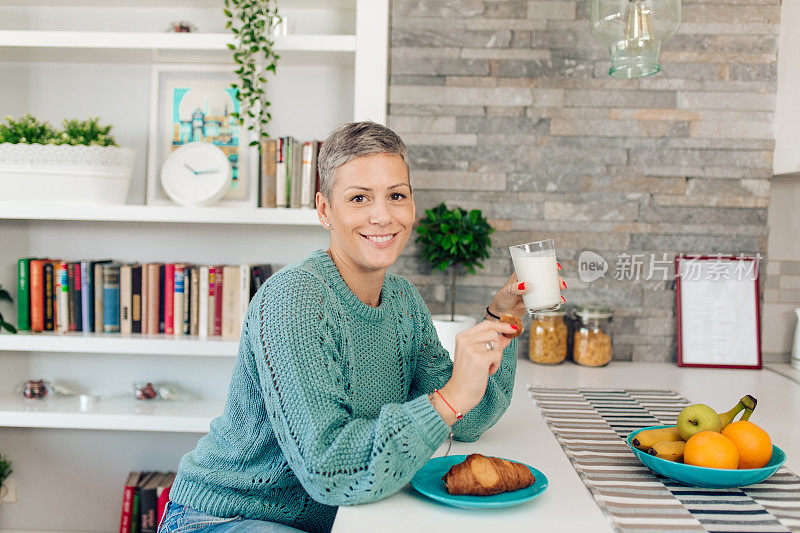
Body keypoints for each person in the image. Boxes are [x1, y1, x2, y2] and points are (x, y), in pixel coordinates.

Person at [158, 121, 563, 533]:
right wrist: (449, 398)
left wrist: (501, 317)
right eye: (358, 198)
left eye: (396, 195)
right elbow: (328, 469)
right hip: (229, 516)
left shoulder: (403, 302)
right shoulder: (294, 300)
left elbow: (468, 420)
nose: (382, 216)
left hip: (337, 516)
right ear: (324, 211)